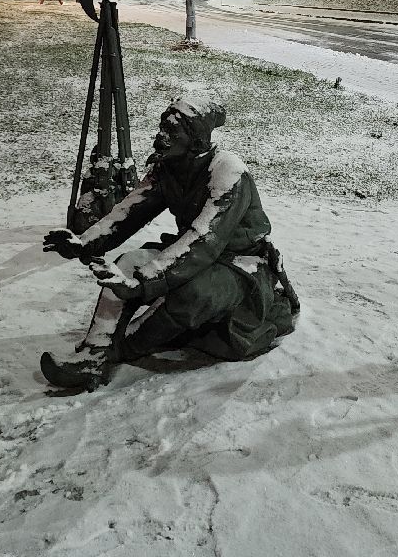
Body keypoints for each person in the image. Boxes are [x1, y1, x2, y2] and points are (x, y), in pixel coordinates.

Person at [40, 96, 299, 390]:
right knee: (126, 264)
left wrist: (143, 283)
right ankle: (94, 354)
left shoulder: (228, 173)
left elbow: (203, 241)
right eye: (162, 128)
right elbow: (128, 212)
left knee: (192, 294)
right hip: (197, 254)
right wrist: (83, 243)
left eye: (172, 132)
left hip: (240, 265)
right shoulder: (168, 168)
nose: (160, 137)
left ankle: (122, 347)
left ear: (196, 139)